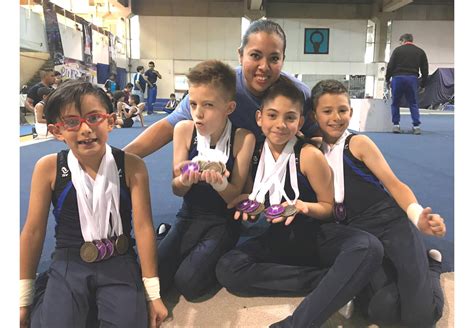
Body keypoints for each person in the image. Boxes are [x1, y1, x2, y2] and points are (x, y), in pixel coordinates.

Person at [216, 77, 384, 328]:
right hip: (280, 238)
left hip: (316, 236)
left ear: (301, 122)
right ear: (260, 117)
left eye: (290, 118)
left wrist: (303, 207)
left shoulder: (307, 155)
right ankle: (336, 284)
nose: (280, 125)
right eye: (272, 115)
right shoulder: (255, 155)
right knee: (228, 269)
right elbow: (256, 198)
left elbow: (329, 208)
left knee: (368, 247)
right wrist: (249, 209)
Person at [19, 80, 168, 328]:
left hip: (119, 259)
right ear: (57, 131)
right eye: (72, 122)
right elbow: (33, 231)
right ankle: (49, 286)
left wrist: (153, 293)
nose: (85, 129)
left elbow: (143, 227)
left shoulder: (132, 165)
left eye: (94, 118)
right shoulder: (48, 168)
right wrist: (23, 299)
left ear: (110, 121)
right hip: (70, 260)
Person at [311, 79, 445, 326]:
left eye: (342, 110)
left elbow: (395, 184)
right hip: (361, 233)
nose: (336, 117)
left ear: (350, 112)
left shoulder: (358, 143)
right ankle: (418, 277)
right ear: (315, 115)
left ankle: (432, 269)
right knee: (383, 312)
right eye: (327, 111)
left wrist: (416, 215)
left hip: (392, 223)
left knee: (420, 320)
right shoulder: (315, 151)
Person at [124, 19, 318, 157]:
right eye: (255, 55)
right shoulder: (219, 86)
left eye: (274, 58)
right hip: (227, 174)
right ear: (241, 56)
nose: (264, 67)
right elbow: (167, 127)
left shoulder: (298, 93)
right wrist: (120, 158)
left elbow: (318, 134)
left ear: (283, 59)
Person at [157, 60, 256, 301]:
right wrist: (186, 180)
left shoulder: (243, 138)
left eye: (208, 105)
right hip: (188, 215)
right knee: (154, 276)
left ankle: (216, 251)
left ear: (229, 108)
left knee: (188, 284)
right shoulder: (183, 129)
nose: (198, 113)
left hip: (223, 221)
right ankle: (172, 238)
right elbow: (176, 189)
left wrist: (219, 182)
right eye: (193, 104)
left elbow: (234, 197)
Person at [386, 33, 429, 135]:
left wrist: (387, 79)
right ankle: (416, 126)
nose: (400, 44)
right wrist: (423, 84)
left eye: (400, 42)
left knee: (395, 102)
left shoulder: (397, 50)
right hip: (412, 78)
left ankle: (396, 125)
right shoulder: (420, 51)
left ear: (403, 41)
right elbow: (425, 70)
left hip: (398, 78)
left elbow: (390, 66)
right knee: (413, 103)